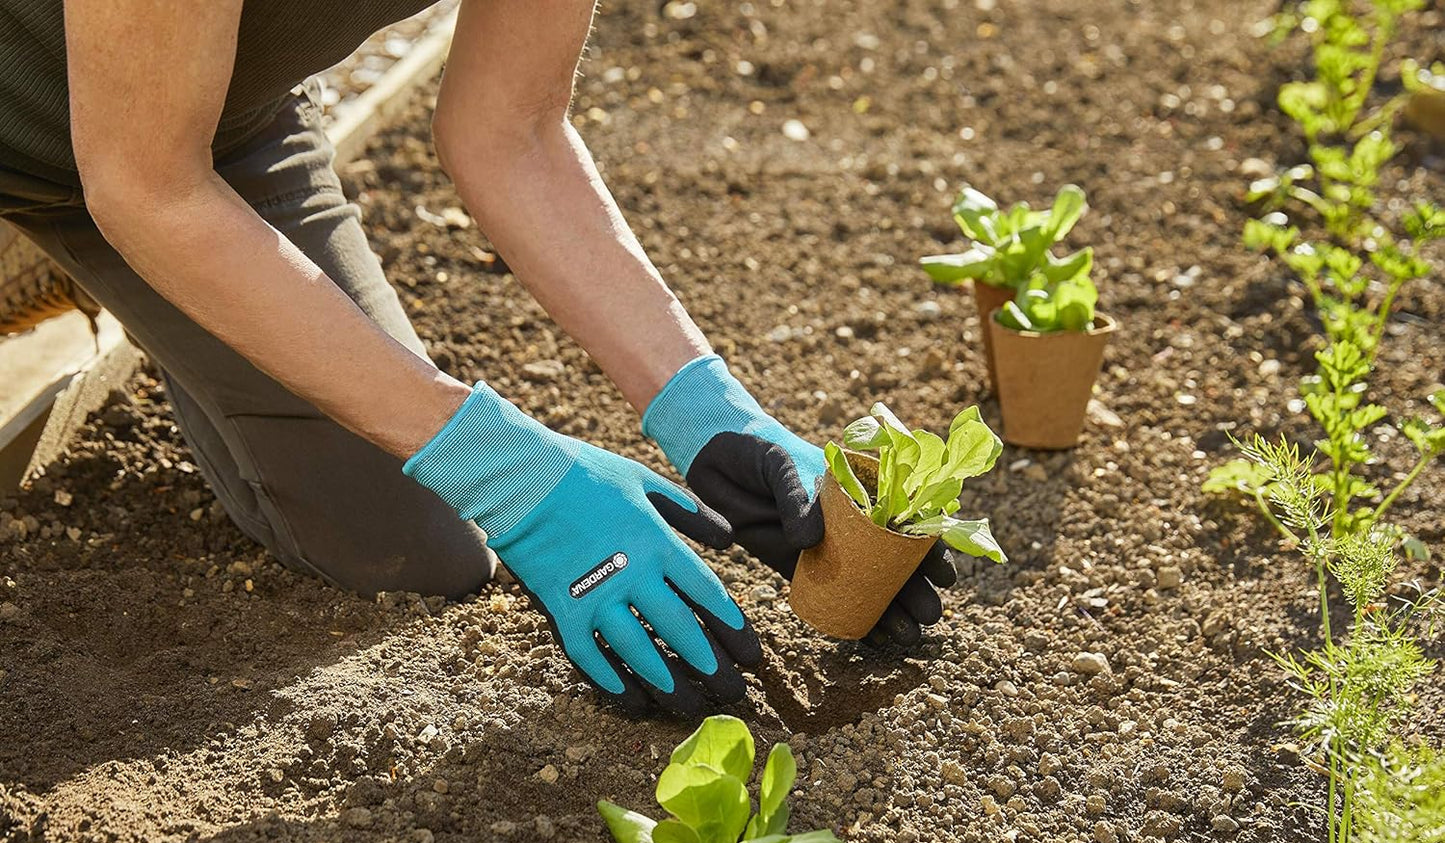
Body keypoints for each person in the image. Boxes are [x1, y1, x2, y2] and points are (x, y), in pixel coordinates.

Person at [0, 0, 955, 719]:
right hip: (132, 160)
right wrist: (510, 473)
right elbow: (146, 184)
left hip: (201, 126)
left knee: (412, 542)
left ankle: (170, 269)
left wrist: (709, 414)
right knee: (143, 202)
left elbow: (514, 130)